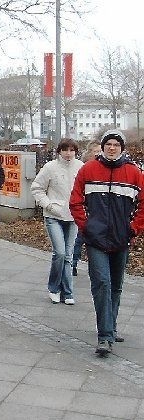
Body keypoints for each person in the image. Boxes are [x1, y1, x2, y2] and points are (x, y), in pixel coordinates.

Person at [70, 129, 144, 356]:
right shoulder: (88, 169)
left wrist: (133, 229)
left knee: (116, 285)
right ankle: (104, 337)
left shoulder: (134, 173)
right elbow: (75, 201)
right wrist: (86, 226)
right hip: (96, 239)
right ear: (102, 147)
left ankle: (109, 327)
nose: (112, 148)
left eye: (116, 144)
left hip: (121, 239)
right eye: (108, 144)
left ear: (122, 148)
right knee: (101, 283)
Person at [31, 139, 83, 305]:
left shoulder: (80, 167)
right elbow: (37, 188)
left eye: (71, 150)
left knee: (68, 255)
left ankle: (67, 292)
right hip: (53, 215)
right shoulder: (50, 167)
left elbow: (86, 190)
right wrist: (48, 205)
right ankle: (54, 287)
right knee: (59, 253)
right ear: (59, 151)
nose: (68, 153)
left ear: (75, 151)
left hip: (73, 217)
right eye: (65, 150)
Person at [72, 140, 102, 275]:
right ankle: (72, 263)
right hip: (84, 210)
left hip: (98, 211)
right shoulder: (84, 167)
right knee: (79, 239)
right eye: (96, 152)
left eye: (100, 151)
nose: (99, 154)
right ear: (90, 153)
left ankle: (95, 266)